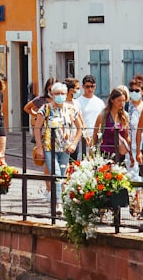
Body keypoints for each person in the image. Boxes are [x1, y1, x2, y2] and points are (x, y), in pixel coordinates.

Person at [32, 81, 83, 215]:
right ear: (52, 95)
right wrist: (39, 147)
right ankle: (58, 203)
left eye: (62, 94)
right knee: (56, 174)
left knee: (63, 173)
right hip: (50, 147)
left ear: (66, 94)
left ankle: (55, 200)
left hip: (66, 148)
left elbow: (80, 128)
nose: (60, 96)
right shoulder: (45, 109)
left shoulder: (71, 109)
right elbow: (37, 128)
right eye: (57, 94)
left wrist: (74, 143)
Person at [93, 86, 131, 162]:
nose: (122, 103)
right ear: (112, 100)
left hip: (120, 154)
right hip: (105, 154)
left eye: (123, 100)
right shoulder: (103, 115)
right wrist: (93, 154)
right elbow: (95, 136)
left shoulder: (125, 116)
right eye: (119, 100)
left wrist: (131, 154)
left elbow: (127, 136)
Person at [76, 75, 104, 154]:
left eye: (92, 86)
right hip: (83, 137)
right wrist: (83, 135)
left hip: (97, 136)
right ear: (83, 87)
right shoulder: (78, 102)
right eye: (87, 86)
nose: (90, 89)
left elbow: (103, 120)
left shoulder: (100, 102)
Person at [63, 78, 84, 160]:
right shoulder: (62, 103)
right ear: (71, 90)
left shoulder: (76, 103)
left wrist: (84, 133)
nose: (79, 91)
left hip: (74, 138)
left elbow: (80, 120)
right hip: (63, 139)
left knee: (73, 162)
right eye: (77, 88)